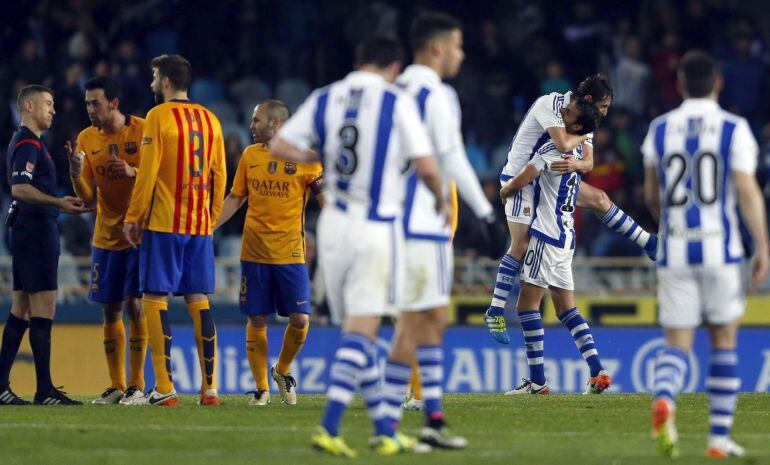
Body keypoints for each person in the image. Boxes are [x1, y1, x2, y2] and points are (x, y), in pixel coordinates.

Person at [270, 36, 446, 457]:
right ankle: (329, 426)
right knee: (363, 331)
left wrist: (320, 153)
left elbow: (279, 146)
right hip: (373, 227)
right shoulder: (394, 99)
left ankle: (385, 428)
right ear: (392, 67)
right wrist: (440, 198)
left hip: (331, 227)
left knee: (356, 329)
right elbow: (425, 165)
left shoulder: (325, 96)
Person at [643, 50, 768, 458]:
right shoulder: (734, 128)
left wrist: (672, 225)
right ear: (718, 83)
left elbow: (651, 194)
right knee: (724, 340)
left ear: (679, 85)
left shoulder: (660, 129)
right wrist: (762, 243)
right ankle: (717, 439)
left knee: (677, 343)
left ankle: (665, 398)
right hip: (722, 250)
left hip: (675, 249)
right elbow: (746, 189)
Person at [381, 11, 496, 450]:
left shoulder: (395, 88)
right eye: (457, 46)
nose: (461, 55)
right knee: (415, 321)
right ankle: (388, 424)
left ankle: (432, 418)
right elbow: (451, 156)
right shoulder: (435, 92)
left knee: (430, 319)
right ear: (437, 48)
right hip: (421, 220)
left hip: (400, 220)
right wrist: (485, 212)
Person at [484, 74, 659, 344]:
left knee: (600, 198)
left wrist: (577, 162)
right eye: (603, 106)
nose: (604, 113)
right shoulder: (552, 106)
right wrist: (582, 137)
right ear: (587, 101)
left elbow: (588, 163)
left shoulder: (583, 119)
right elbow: (563, 144)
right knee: (520, 245)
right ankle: (494, 311)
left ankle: (649, 242)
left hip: (549, 178)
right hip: (522, 180)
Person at [123, 55, 226, 406]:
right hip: (198, 225)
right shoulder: (211, 119)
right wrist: (210, 217)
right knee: (199, 298)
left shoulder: (158, 116)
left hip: (165, 222)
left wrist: (133, 217)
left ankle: (165, 386)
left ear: (166, 81)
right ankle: (210, 388)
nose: (152, 82)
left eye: (154, 76)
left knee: (154, 297)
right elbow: (219, 174)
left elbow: (148, 171)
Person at [215, 100, 325, 406]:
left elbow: (326, 199)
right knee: (257, 318)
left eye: (256, 120)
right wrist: (207, 227)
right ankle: (261, 387)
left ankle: (282, 370)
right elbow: (236, 199)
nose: (251, 126)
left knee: (301, 319)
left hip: (291, 253)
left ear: (275, 124)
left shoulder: (305, 159)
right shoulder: (250, 156)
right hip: (254, 251)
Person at [499, 101, 612, 395]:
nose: (564, 113)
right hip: (566, 239)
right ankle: (597, 370)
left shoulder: (555, 150)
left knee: (526, 305)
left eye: (570, 114)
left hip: (546, 237)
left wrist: (508, 188)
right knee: (566, 308)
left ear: (576, 126)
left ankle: (537, 381)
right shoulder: (577, 154)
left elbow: (529, 172)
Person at [0, 85, 90, 406]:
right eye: (48, 104)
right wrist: (58, 203)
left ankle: (3, 386)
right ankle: (44, 390)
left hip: (29, 231)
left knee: (21, 308)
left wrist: (71, 172)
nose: (53, 110)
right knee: (43, 307)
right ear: (28, 105)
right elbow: (20, 188)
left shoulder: (33, 143)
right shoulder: (27, 142)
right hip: (36, 232)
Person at [68, 76, 148, 405]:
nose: (90, 108)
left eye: (95, 102)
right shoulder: (86, 139)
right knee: (110, 310)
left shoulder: (142, 131)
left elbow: (158, 179)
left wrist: (134, 173)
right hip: (105, 234)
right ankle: (116, 385)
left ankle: (137, 385)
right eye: (87, 103)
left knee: (136, 304)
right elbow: (87, 197)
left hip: (139, 233)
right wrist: (75, 174)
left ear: (113, 103)